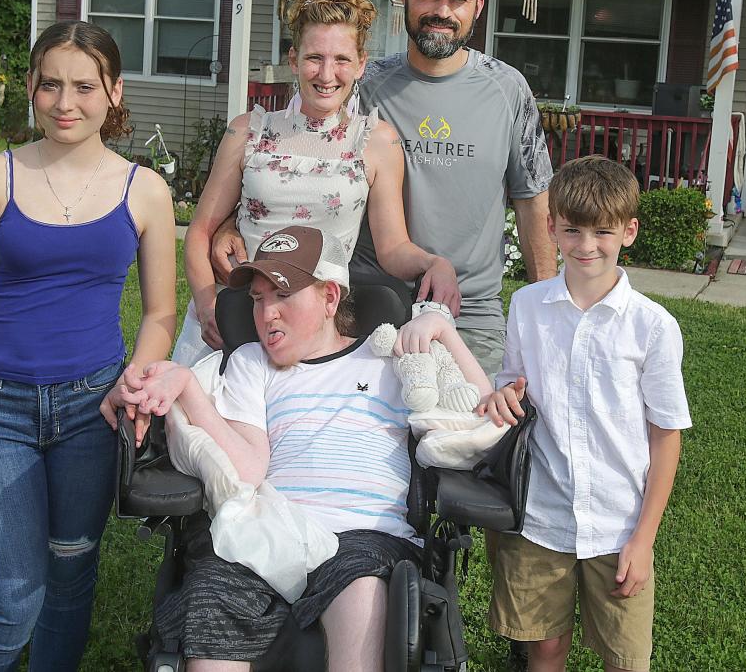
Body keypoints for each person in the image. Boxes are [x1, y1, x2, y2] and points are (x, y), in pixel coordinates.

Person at [124, 225, 492, 671]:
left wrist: (444, 334)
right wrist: (188, 388)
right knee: (215, 586)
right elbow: (247, 470)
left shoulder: (388, 358)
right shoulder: (251, 363)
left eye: (282, 295)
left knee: (363, 588)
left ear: (330, 298)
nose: (266, 314)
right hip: (272, 534)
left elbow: (473, 417)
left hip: (365, 536)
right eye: (258, 299)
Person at [0, 21, 177, 670]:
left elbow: (160, 313)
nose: (66, 103)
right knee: (12, 601)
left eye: (85, 87)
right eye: (50, 85)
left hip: (92, 414)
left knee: (70, 581)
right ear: (32, 89)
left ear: (115, 92)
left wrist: (131, 382)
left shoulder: (144, 190)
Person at [214, 0, 556, 377]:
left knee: (474, 433)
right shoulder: (359, 82)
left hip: (470, 311)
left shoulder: (508, 90)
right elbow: (290, 162)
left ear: (478, 6)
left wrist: (548, 313)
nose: (442, 11)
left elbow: (532, 202)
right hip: (371, 304)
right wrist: (231, 219)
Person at [477, 156, 692, 672]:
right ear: (550, 226)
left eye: (602, 232)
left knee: (625, 657)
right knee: (544, 647)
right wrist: (504, 393)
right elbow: (514, 380)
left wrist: (644, 539)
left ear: (629, 232)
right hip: (541, 517)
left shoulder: (653, 327)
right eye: (571, 230)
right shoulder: (526, 306)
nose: (586, 245)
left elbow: (666, 437)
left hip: (618, 524)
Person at [181, 0, 459, 355]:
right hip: (237, 315)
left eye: (341, 59)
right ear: (294, 59)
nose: (327, 75)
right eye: (314, 58)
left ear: (361, 64)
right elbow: (199, 233)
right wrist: (207, 302)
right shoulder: (248, 132)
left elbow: (392, 248)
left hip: (319, 326)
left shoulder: (377, 142)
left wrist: (434, 262)